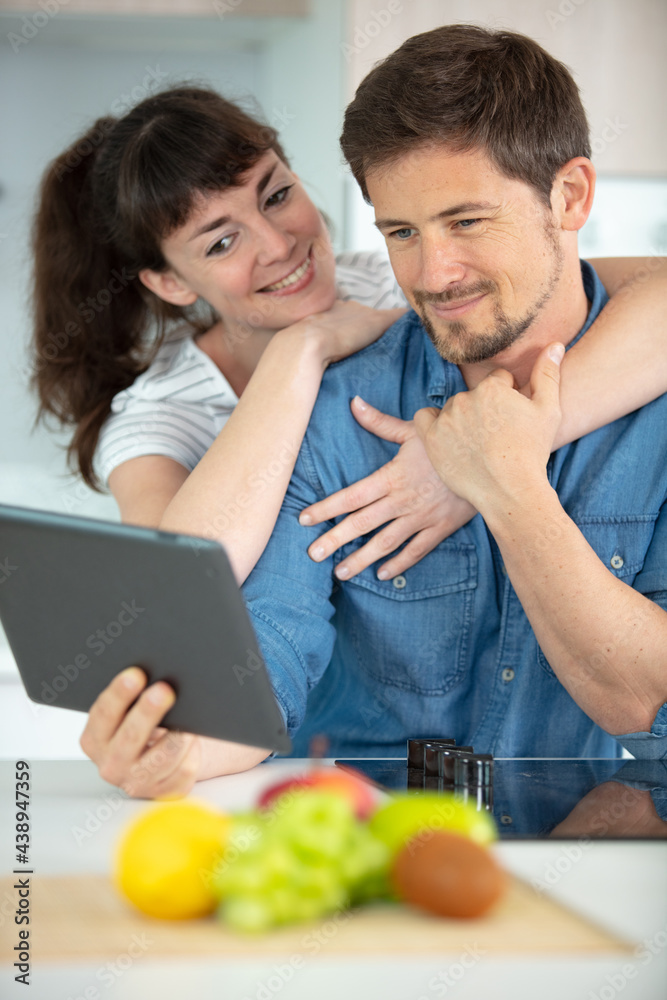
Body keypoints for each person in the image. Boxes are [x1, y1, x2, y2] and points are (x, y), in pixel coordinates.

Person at [33, 81, 666, 796]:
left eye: (275, 196)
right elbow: (181, 605)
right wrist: (299, 352)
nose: (278, 247)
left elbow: (626, 296)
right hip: (341, 773)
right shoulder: (172, 414)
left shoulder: (402, 283)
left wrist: (467, 461)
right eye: (220, 241)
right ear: (172, 283)